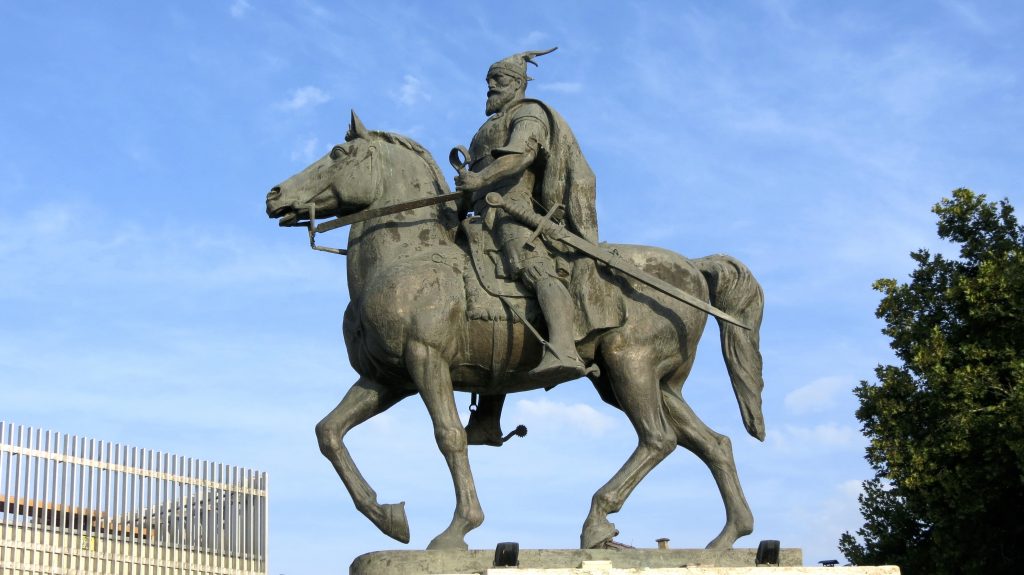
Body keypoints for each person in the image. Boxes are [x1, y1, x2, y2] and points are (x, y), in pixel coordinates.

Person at [455, 48, 599, 445]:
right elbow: (474, 179)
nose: (490, 88)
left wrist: (481, 183)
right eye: (488, 82)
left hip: (514, 214)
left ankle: (565, 349)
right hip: (481, 217)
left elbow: (520, 158)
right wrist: (461, 197)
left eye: (498, 82)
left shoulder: (529, 114)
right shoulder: (483, 130)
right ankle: (486, 416)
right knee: (483, 298)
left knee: (529, 266)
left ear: (517, 85)